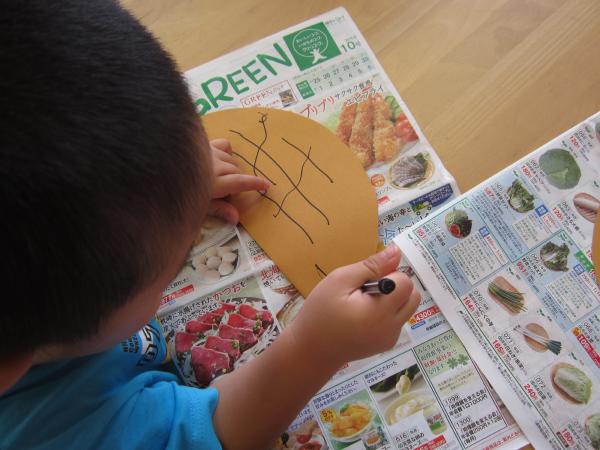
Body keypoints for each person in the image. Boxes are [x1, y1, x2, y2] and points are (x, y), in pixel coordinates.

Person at [0, 1, 421, 449]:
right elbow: (217, 431)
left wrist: (172, 185)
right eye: (172, 266)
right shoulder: (56, 433)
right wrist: (315, 348)